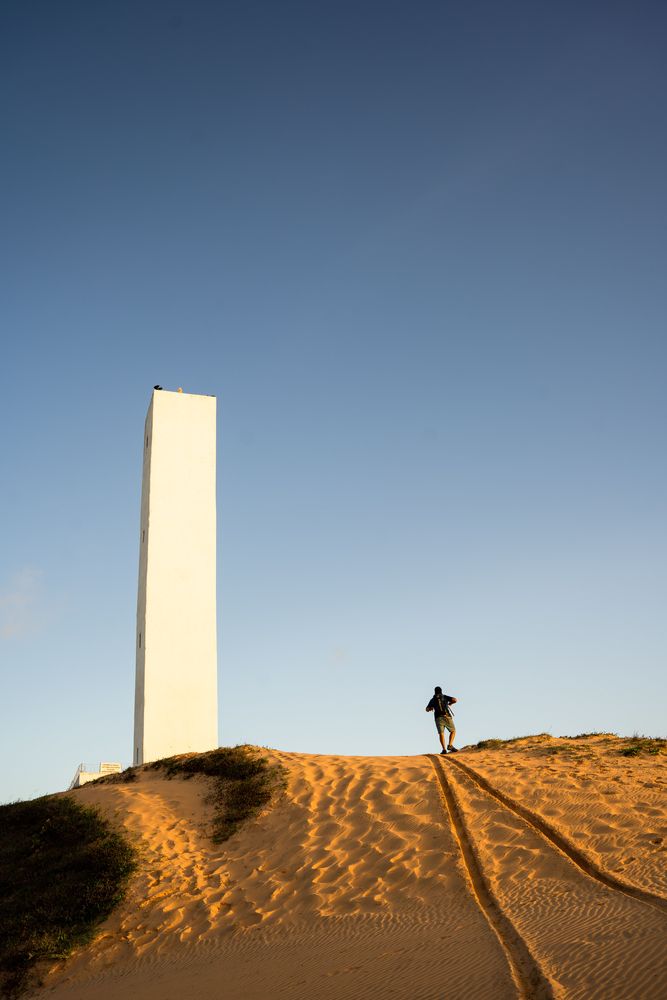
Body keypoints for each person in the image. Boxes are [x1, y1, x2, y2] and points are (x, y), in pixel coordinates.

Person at [425, 686, 458, 754]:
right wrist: (450, 703)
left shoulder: (432, 700)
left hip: (438, 718)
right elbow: (455, 700)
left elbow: (426, 709)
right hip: (446, 716)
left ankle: (444, 749)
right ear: (441, 691)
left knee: (441, 733)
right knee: (453, 731)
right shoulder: (444, 696)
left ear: (434, 692)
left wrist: (430, 708)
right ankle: (450, 745)